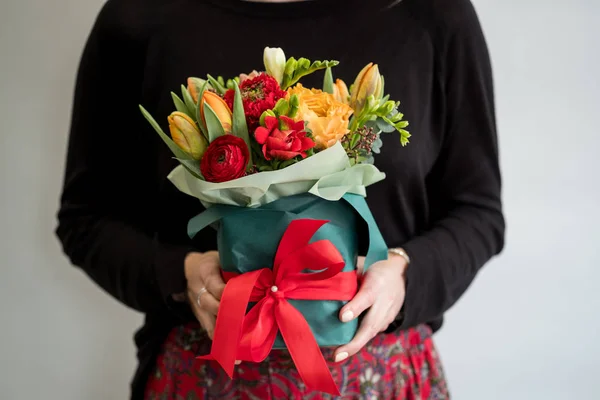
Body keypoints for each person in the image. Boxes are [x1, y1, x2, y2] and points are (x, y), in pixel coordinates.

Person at [56, 0, 505, 398]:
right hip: (204, 377)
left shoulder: (431, 13)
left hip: (381, 378)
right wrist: (184, 274)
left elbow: (478, 211)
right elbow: (85, 220)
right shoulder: (140, 16)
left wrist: (406, 276)